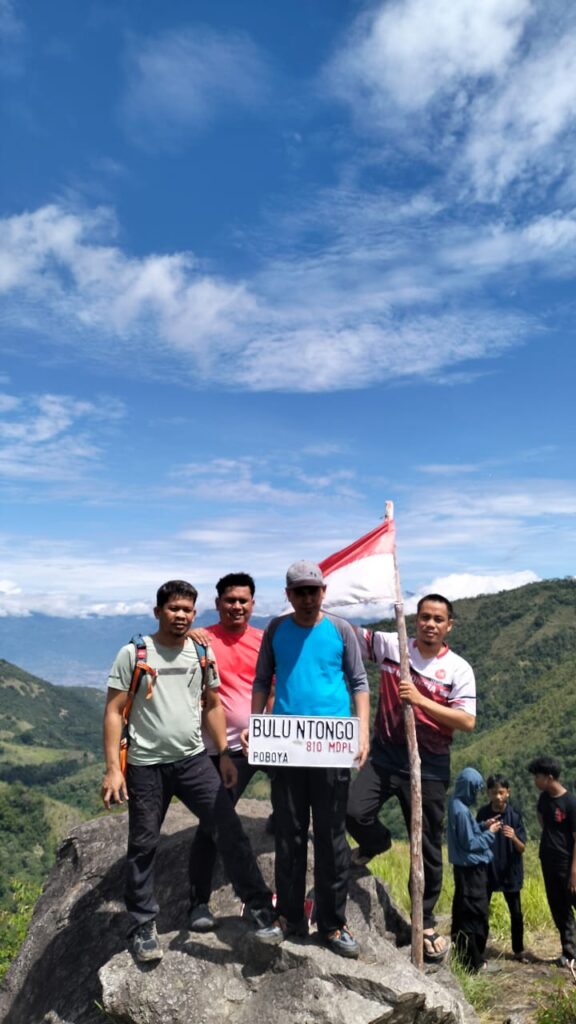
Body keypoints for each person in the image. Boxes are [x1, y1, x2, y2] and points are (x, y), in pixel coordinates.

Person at [101, 579, 273, 962]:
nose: (180, 615)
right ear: (158, 611)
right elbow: (113, 711)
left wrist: (224, 753)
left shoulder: (200, 651)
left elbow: (213, 704)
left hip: (194, 760)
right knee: (144, 843)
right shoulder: (134, 653)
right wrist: (113, 769)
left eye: (186, 610)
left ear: (195, 614)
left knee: (228, 828)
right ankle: (143, 924)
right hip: (146, 764)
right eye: (173, 608)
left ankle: (260, 906)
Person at [345, 593, 476, 962]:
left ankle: (426, 920)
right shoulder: (393, 645)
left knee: (427, 843)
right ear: (415, 620)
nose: (430, 624)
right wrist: (314, 604)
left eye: (438, 619)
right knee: (353, 811)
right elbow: (348, 635)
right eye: (425, 617)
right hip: (385, 756)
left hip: (429, 765)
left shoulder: (458, 669)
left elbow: (467, 721)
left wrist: (421, 700)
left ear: (449, 626)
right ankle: (375, 843)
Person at [250, 560, 370, 958]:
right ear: (288, 595)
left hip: (332, 747)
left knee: (332, 837)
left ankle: (332, 923)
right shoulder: (276, 629)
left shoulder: (340, 629)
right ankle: (289, 917)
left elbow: (359, 682)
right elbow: (262, 679)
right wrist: (256, 722)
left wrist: (362, 731)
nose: (307, 598)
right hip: (287, 747)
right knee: (290, 833)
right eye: (299, 591)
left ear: (323, 592)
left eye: (313, 591)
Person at [188, 572, 271, 931]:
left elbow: (272, 688)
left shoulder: (264, 641)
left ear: (253, 604)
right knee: (213, 824)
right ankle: (198, 902)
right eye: (230, 600)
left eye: (243, 600)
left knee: (297, 801)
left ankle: (280, 819)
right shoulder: (201, 640)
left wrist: (267, 725)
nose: (237, 606)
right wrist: (189, 634)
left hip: (265, 742)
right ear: (218, 603)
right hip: (222, 749)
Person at [448, 767, 499, 972]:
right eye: (475, 790)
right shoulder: (461, 811)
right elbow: (470, 843)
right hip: (471, 870)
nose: (476, 794)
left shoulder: (455, 804)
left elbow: (467, 832)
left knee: (463, 912)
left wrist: (483, 825)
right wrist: (491, 833)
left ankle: (465, 959)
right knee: (475, 913)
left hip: (464, 868)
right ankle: (475, 962)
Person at [528, 755, 576, 968]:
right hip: (549, 861)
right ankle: (570, 952)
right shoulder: (544, 799)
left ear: (549, 777)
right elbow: (542, 820)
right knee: (559, 908)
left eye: (537, 777)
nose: (535, 781)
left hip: (568, 864)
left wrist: (574, 871)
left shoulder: (570, 803)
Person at [476, 773, 527, 960]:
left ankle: (518, 951)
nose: (497, 797)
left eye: (501, 792)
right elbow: (474, 839)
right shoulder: (483, 814)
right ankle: (479, 950)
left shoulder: (514, 815)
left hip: (510, 872)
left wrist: (513, 837)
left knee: (516, 913)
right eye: (493, 793)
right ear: (488, 794)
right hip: (488, 871)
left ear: (508, 793)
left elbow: (522, 848)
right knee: (482, 912)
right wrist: (485, 827)